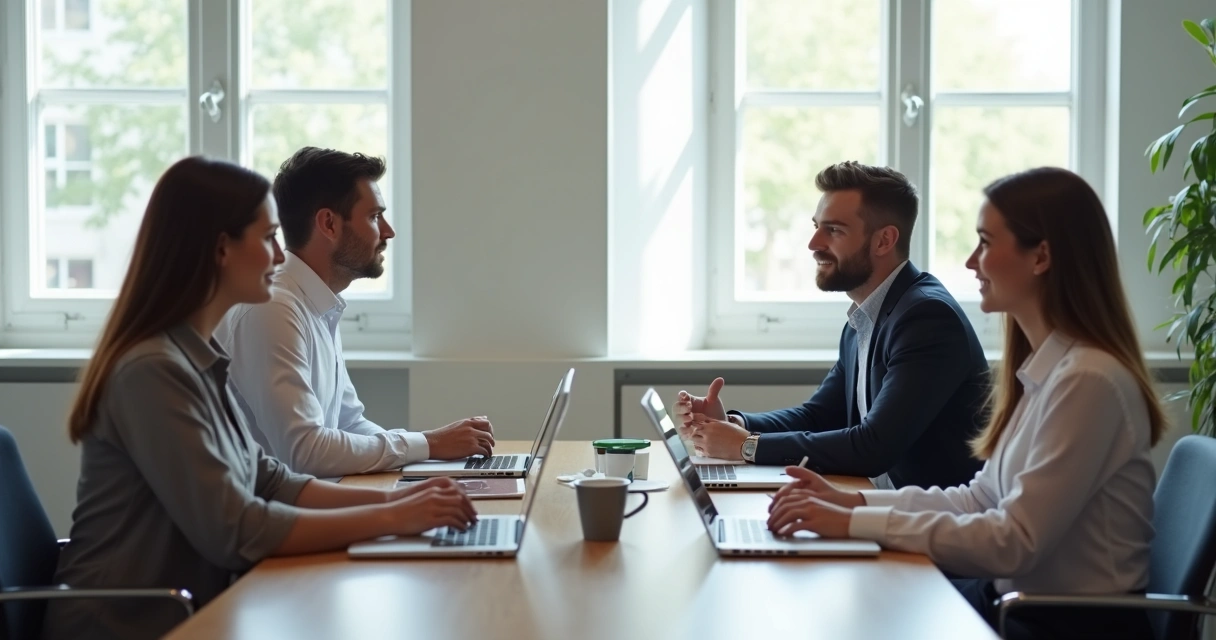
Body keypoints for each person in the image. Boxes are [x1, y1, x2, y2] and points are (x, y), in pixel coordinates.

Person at [44, 157, 477, 640]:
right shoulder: (153, 371)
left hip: (196, 609)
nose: (278, 256)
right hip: (130, 624)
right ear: (221, 250)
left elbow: (270, 480)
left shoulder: (195, 354)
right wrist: (390, 516)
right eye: (268, 238)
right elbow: (238, 530)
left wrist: (405, 499)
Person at [766, 167, 1164, 640]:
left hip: (1058, 624)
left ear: (1041, 257)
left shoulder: (1089, 381)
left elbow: (1014, 542)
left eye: (985, 243)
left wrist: (854, 521)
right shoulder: (1048, 369)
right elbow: (979, 499)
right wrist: (851, 500)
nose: (972, 262)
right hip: (1013, 604)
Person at [676, 161, 988, 489]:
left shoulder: (926, 318)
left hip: (928, 527)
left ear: (884, 241)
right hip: (880, 506)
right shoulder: (865, 315)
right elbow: (820, 415)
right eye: (816, 226)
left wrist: (745, 446)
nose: (813, 243)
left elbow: (874, 446)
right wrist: (733, 424)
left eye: (834, 230)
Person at [215, 147, 494, 478]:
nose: (388, 231)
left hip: (317, 505)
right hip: (281, 520)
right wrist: (430, 444)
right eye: (375, 216)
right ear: (329, 224)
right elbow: (306, 451)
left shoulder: (318, 305)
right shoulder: (273, 309)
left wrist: (426, 463)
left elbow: (350, 424)